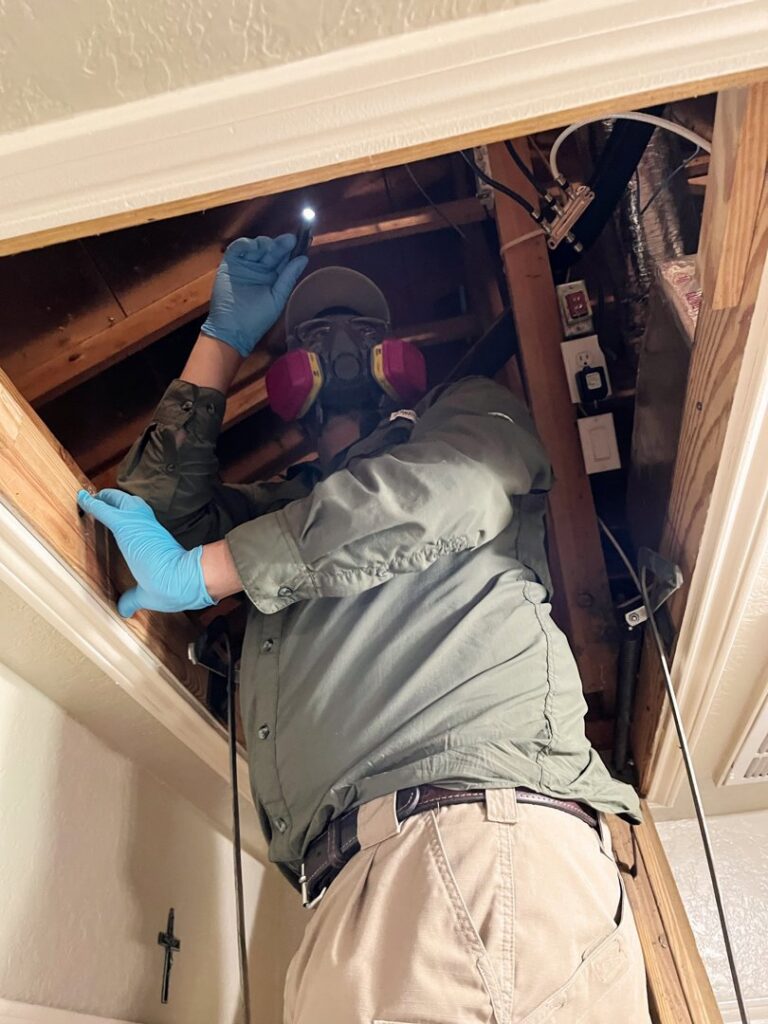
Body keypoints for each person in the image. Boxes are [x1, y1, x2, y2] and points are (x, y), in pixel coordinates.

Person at [77, 233, 650, 1023]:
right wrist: (219, 344)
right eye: (311, 340)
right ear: (285, 380)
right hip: (362, 891)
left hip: (470, 848)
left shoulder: (466, 415)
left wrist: (209, 574)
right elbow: (146, 532)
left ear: (396, 362)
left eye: (361, 334)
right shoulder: (276, 513)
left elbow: (445, 493)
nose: (341, 351)